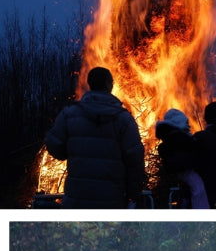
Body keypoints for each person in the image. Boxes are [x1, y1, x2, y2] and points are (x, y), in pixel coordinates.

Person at [45, 66, 146, 207]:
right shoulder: (124, 119)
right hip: (112, 201)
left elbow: (54, 146)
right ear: (108, 84)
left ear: (90, 84)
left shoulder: (69, 114)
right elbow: (134, 160)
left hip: (76, 201)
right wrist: (134, 193)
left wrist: (74, 151)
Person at [154, 108, 209, 208]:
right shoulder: (180, 139)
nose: (189, 125)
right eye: (186, 123)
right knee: (198, 190)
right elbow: (191, 152)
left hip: (179, 176)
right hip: (187, 173)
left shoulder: (168, 139)